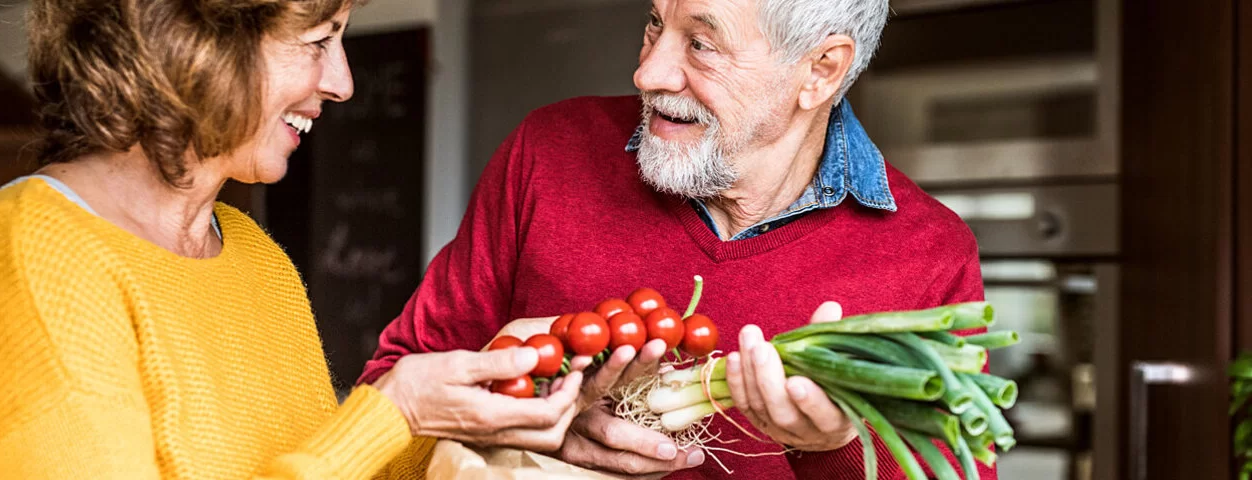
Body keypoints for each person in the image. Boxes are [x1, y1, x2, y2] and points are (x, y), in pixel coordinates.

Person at [0, 1, 584, 478]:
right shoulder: (29, 254)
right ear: (199, 41)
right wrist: (392, 411)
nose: (343, 82)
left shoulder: (251, 254)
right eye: (319, 41)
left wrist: (480, 409)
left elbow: (322, 466)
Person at [358, 0, 996, 478]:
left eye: (702, 44)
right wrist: (528, 421)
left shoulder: (927, 255)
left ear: (820, 71)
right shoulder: (549, 152)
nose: (649, 72)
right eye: (654, 24)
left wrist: (832, 449)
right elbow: (388, 400)